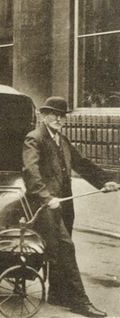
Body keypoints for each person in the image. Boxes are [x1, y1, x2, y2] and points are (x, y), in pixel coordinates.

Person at [22, 96, 119, 317]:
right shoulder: (34, 138)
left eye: (62, 115)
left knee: (58, 248)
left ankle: (57, 293)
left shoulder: (62, 140)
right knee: (66, 247)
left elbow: (82, 163)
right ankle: (80, 302)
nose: (58, 118)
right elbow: (31, 172)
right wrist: (46, 198)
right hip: (44, 206)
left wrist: (105, 181)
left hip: (64, 205)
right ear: (44, 116)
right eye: (54, 114)